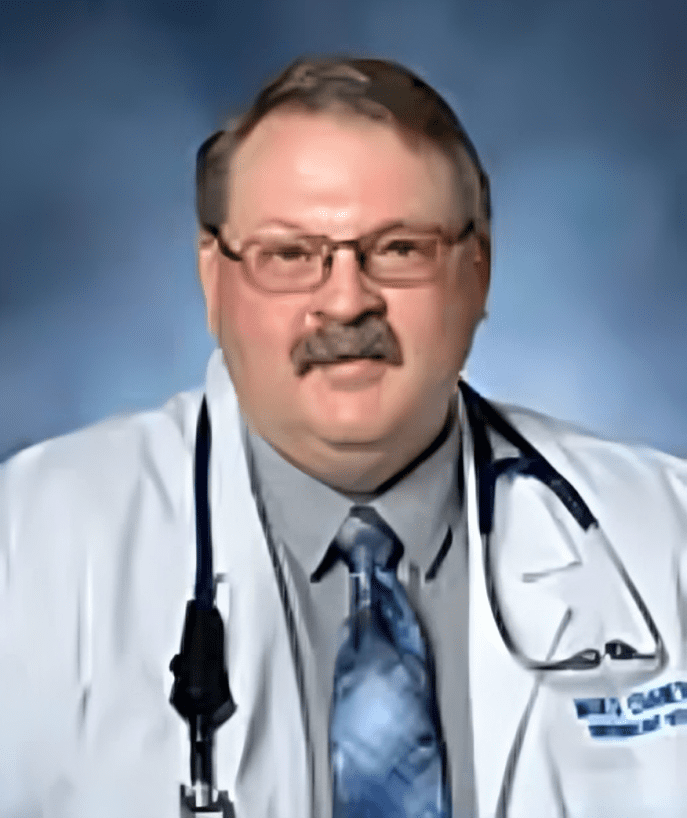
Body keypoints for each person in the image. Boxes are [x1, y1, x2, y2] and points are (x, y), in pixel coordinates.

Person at [1, 55, 686, 818]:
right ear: (213, 280)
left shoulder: (665, 536)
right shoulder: (30, 545)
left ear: (478, 271)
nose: (345, 301)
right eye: (290, 256)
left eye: (399, 250)